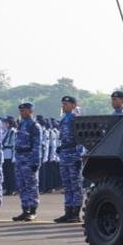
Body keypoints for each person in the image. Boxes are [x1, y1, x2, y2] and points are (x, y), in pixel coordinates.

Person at [54, 95, 84, 223]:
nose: (64, 105)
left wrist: (78, 156)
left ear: (73, 105)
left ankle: (75, 213)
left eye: (66, 103)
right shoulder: (63, 119)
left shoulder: (75, 119)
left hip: (73, 154)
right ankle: (68, 211)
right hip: (65, 153)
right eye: (63, 103)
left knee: (75, 185)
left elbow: (81, 139)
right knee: (67, 185)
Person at [13, 102, 43, 221]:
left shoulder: (34, 125)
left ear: (31, 111)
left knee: (31, 186)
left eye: (24, 110)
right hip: (20, 157)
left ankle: (33, 210)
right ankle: (25, 210)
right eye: (21, 111)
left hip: (29, 158)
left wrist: (36, 162)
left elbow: (37, 145)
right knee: (22, 186)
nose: (22, 112)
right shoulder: (21, 124)